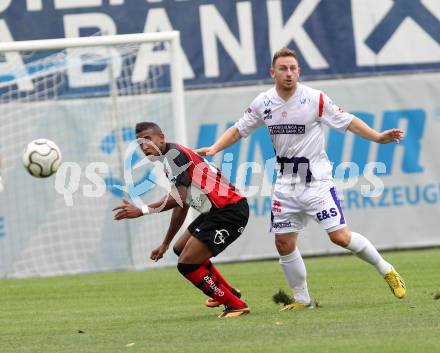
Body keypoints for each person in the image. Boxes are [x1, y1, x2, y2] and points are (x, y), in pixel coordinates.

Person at [196, 47, 406, 310]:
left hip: (317, 184)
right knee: (283, 243)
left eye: (293, 68)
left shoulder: (315, 99)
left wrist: (377, 137)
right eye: (283, 68)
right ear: (272, 72)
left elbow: (348, 121)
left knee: (340, 237)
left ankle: (386, 269)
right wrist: (215, 148)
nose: (289, 73)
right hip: (285, 186)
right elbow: (239, 129)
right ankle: (302, 299)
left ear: (299, 72)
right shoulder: (264, 102)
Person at [113, 122, 250, 318]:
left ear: (161, 137)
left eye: (148, 140)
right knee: (180, 249)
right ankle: (229, 293)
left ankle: (235, 304)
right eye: (140, 143)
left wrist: (142, 210)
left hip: (229, 212)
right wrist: (166, 243)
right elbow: (182, 203)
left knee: (187, 264)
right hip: (216, 212)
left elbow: (177, 198)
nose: (144, 147)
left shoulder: (174, 156)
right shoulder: (170, 157)